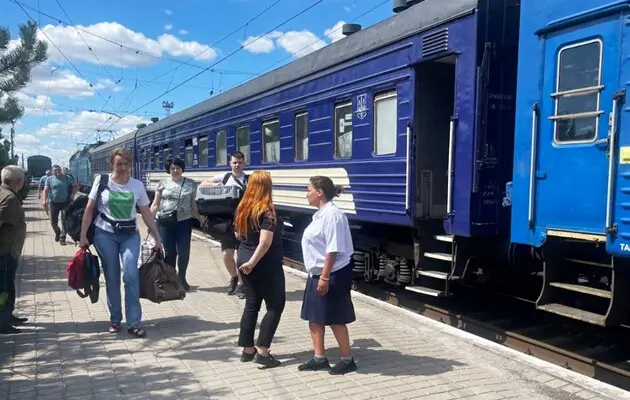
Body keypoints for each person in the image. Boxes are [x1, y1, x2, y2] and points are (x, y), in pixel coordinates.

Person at [79, 147, 163, 338]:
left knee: (131, 276)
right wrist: (83, 236)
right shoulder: (102, 181)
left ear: (130, 165)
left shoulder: (137, 185)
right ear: (112, 164)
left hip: (130, 235)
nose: (122, 167)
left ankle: (134, 322)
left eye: (125, 164)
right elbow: (90, 209)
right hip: (105, 234)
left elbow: (146, 213)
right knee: (112, 277)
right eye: (118, 164)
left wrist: (157, 237)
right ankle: (115, 320)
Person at [298, 176, 357, 375]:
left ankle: (347, 359)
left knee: (335, 318)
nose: (306, 194)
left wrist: (324, 278)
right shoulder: (321, 214)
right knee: (314, 318)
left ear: (319, 192)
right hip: (318, 274)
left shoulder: (333, 215)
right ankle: (319, 358)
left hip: (332, 274)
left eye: (308, 189)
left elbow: (332, 250)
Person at [233, 171, 285, 368]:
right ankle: (263, 351)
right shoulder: (267, 211)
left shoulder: (243, 208)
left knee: (252, 304)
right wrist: (253, 263)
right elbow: (264, 243)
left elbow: (238, 235)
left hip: (244, 257)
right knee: (276, 305)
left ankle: (247, 350)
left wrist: (246, 260)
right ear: (267, 187)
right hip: (264, 264)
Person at [200, 151, 248, 298]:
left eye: (239, 162)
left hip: (244, 222)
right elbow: (203, 184)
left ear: (244, 163)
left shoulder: (249, 179)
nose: (237, 165)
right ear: (230, 163)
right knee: (227, 254)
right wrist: (216, 184)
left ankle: (242, 284)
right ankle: (234, 277)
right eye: (234, 162)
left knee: (241, 255)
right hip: (226, 222)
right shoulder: (225, 177)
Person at [150, 157, 202, 291]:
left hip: (184, 221)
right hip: (165, 221)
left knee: (184, 251)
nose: (175, 170)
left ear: (182, 169)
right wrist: (149, 220)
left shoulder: (190, 184)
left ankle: (182, 278)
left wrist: (202, 219)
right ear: (169, 170)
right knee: (170, 252)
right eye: (172, 168)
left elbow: (193, 204)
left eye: (177, 168)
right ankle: (170, 279)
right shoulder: (162, 184)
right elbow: (155, 204)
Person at [0, 166, 28, 334]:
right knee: (3, 288)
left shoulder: (3, 192)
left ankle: (7, 315)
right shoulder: (9, 198)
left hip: (6, 250)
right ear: (19, 182)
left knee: (7, 285)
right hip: (4, 251)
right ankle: (2, 322)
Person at [42, 165, 74, 245]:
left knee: (64, 220)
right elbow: (45, 190)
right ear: (52, 171)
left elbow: (75, 185)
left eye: (58, 170)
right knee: (53, 222)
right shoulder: (49, 179)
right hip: (53, 203)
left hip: (65, 202)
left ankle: (62, 238)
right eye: (55, 170)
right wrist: (44, 200)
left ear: (61, 170)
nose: (57, 171)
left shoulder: (67, 178)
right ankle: (58, 232)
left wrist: (73, 194)